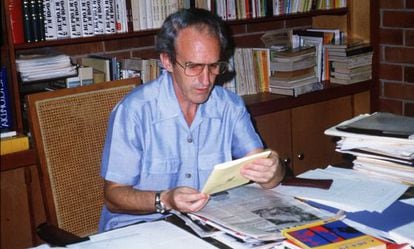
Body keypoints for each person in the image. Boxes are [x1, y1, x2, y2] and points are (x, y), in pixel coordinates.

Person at [99, 8, 285, 232]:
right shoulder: (134, 111)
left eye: (214, 66)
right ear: (167, 61)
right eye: (193, 66)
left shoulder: (229, 106)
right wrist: (165, 199)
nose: (205, 80)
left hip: (206, 223)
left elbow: (265, 170)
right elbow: (113, 195)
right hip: (141, 228)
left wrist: (273, 171)